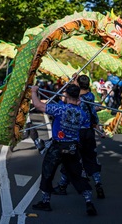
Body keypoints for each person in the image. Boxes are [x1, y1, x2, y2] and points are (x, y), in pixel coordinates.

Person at [30, 84, 97, 216]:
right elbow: (86, 124)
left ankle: (45, 201)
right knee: (79, 175)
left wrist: (34, 92)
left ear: (66, 95)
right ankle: (89, 202)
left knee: (47, 172)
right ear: (78, 96)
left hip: (58, 147)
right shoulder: (82, 114)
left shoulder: (60, 109)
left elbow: (38, 106)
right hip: (73, 147)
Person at [53, 75, 105, 199]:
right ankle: (98, 183)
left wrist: (71, 82)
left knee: (69, 159)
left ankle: (62, 186)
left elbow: (63, 98)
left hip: (76, 133)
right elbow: (93, 115)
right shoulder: (90, 96)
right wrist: (99, 129)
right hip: (89, 132)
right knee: (91, 158)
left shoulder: (74, 99)